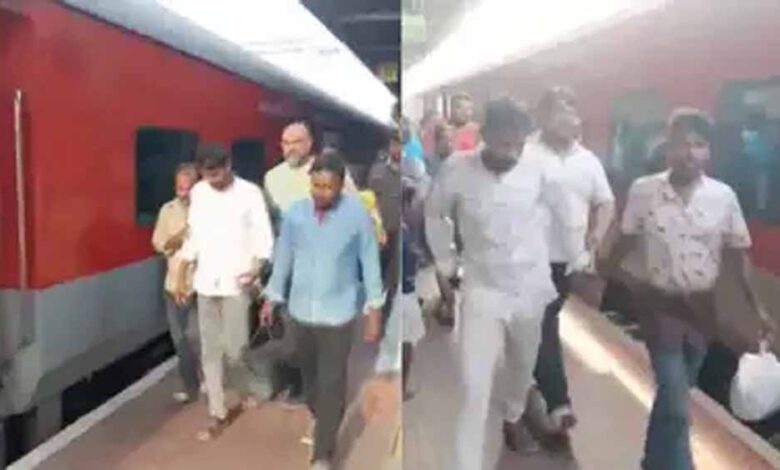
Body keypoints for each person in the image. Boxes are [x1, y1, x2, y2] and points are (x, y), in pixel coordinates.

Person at [598, 108, 777, 470]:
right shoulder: (644, 191)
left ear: (708, 152)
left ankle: (652, 461)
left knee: (676, 396)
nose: (688, 153)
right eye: (680, 144)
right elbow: (620, 246)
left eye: (697, 144)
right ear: (667, 148)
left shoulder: (723, 197)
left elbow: (736, 257)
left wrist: (757, 308)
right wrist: (626, 281)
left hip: (702, 310)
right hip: (660, 307)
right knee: (676, 399)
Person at [426, 98, 584, 469]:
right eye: (503, 144)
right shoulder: (457, 168)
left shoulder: (540, 167)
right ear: (485, 135)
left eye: (518, 145)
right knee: (474, 387)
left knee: (521, 369)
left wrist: (576, 253)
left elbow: (565, 212)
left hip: (530, 289)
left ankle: (513, 415)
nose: (511, 154)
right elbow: (435, 214)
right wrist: (446, 260)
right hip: (482, 290)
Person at [261, 150, 384, 470]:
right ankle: (322, 417)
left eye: (328, 187)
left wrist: (374, 310)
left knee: (332, 382)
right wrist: (272, 297)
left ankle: (323, 453)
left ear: (341, 186)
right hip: (301, 312)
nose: (321, 193)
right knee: (310, 380)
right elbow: (283, 257)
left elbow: (370, 261)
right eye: (316, 186)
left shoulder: (356, 215)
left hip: (339, 313)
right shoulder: (295, 215)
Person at [525, 86, 615, 438]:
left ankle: (529, 381)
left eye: (573, 111)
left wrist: (596, 235)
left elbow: (606, 202)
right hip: (529, 258)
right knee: (544, 322)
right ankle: (558, 402)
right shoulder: (525, 153)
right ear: (543, 116)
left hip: (569, 260)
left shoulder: (587, 160)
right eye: (561, 110)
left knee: (540, 324)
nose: (570, 118)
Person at [176, 143, 274, 441]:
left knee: (235, 349)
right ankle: (216, 413)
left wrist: (257, 268)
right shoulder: (199, 193)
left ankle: (250, 386)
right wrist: (182, 271)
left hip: (237, 281)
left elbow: (264, 236)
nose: (213, 181)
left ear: (228, 165)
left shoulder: (250, 193)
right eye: (207, 176)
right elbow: (193, 236)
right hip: (206, 282)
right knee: (210, 350)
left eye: (217, 175)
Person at [264, 121, 357, 406]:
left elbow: (355, 211)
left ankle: (318, 388)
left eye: (297, 141)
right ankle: (299, 382)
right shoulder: (272, 178)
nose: (290, 148)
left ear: (309, 143)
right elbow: (270, 222)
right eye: (285, 142)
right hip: (291, 264)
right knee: (293, 331)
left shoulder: (331, 170)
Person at [152, 163, 202, 404]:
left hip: (200, 286)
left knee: (199, 337)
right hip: (173, 286)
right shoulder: (168, 210)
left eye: (187, 188)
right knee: (180, 340)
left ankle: (209, 380)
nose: (182, 193)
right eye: (179, 188)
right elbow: (159, 244)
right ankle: (191, 387)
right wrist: (180, 236)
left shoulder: (208, 211)